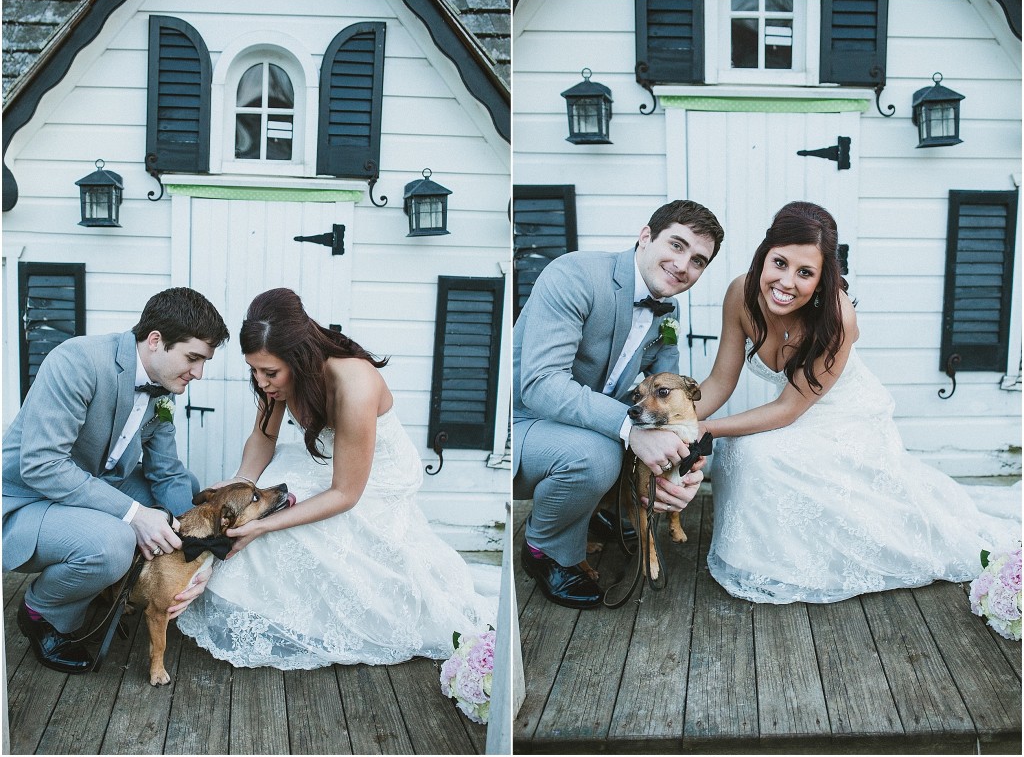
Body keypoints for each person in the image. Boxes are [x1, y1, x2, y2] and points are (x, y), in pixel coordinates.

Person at [697, 201, 1021, 604]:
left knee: (751, 452)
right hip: (798, 410)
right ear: (764, 255)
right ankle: (763, 558)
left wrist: (707, 429)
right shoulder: (740, 295)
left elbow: (787, 410)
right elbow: (718, 382)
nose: (786, 282)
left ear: (822, 279)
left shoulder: (836, 317)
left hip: (847, 415)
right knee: (737, 449)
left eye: (805, 273)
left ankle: (800, 563)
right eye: (779, 263)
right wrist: (676, 420)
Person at [176, 288, 494, 669]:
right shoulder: (274, 378)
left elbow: (345, 493)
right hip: (322, 463)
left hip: (372, 481)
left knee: (276, 532)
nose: (261, 382)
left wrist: (265, 526)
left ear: (300, 358)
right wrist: (238, 485)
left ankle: (310, 622)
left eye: (270, 373)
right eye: (254, 371)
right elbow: (264, 437)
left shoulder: (354, 383)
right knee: (252, 514)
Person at [3, 287, 230, 673]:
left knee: (186, 489)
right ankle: (43, 612)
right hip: (28, 500)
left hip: (94, 485)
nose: (199, 373)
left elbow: (167, 471)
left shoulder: (163, 388)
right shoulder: (76, 362)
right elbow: (41, 465)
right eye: (193, 358)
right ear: (155, 341)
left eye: (204, 361)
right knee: (114, 542)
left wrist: (196, 546)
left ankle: (102, 585)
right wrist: (134, 514)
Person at [513, 200, 725, 608]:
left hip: (583, 424)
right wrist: (631, 430)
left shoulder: (669, 308)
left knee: (635, 439)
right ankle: (543, 549)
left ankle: (588, 511)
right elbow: (540, 385)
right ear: (646, 236)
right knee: (599, 454)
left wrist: (682, 464)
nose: (684, 266)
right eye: (676, 246)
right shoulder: (574, 274)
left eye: (698, 260)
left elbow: (668, 398)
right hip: (522, 424)